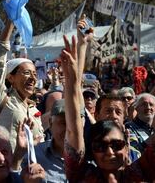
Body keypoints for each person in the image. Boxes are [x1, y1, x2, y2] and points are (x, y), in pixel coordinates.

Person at [61, 28, 155, 182]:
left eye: (117, 145)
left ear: (126, 145)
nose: (110, 152)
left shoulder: (139, 172)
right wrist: (71, 82)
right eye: (100, 146)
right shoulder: (83, 174)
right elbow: (74, 130)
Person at [0, 19, 44, 150]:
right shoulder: (0, 98)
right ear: (11, 78)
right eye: (26, 73)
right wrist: (11, 21)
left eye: (35, 74)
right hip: (4, 168)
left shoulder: (34, 109)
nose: (32, 78)